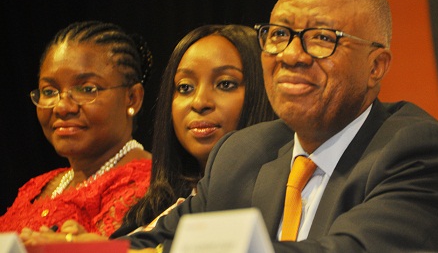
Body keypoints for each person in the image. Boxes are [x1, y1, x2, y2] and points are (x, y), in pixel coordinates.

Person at [122, 0, 438, 252]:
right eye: (279, 34)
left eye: (322, 38)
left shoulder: (419, 154)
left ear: (375, 67)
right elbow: (145, 243)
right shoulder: (241, 153)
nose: (291, 55)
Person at [19, 24, 276, 244]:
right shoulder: (169, 200)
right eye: (185, 87)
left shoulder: (283, 187)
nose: (200, 102)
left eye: (225, 84)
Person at [0, 21, 153, 237]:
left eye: (87, 89)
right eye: (50, 91)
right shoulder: (38, 186)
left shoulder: (147, 182)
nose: (62, 107)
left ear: (132, 98)